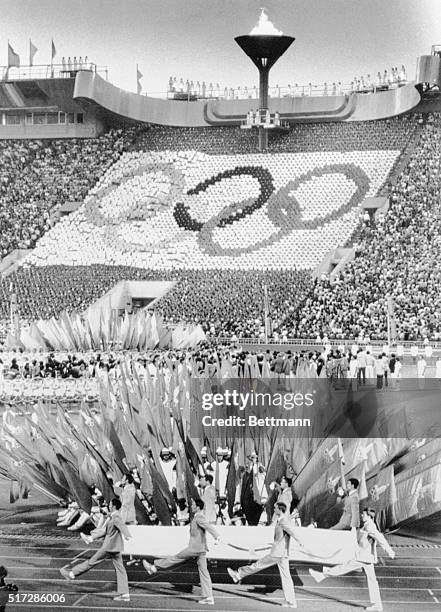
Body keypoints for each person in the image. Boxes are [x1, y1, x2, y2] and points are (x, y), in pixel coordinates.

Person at [309, 507, 395, 612]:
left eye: (363, 514)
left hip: (363, 558)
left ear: (369, 516)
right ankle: (377, 605)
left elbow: (380, 538)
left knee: (344, 567)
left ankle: (322, 575)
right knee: (372, 581)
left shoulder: (370, 527)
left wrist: (390, 551)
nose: (362, 516)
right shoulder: (367, 525)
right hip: (366, 557)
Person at [142, 499, 220, 605]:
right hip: (201, 549)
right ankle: (208, 597)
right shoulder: (197, 517)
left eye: (193, 505)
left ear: (197, 507)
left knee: (176, 558)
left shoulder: (199, 517)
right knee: (204, 572)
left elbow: (208, 526)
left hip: (195, 549)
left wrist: (217, 536)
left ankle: (154, 567)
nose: (191, 506)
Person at [227, 502, 301, 608]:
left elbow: (292, 532)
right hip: (283, 553)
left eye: (275, 508)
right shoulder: (281, 520)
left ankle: (238, 574)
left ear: (280, 510)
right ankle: (291, 602)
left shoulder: (283, 521)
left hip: (277, 553)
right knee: (286, 577)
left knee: (258, 565)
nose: (274, 510)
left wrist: (300, 542)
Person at [60, 498, 131, 602]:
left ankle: (72, 574)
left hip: (108, 547)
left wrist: (128, 536)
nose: (109, 506)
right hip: (116, 547)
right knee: (121, 570)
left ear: (114, 506)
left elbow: (122, 526)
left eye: (110, 504)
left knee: (91, 562)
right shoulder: (114, 516)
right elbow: (105, 530)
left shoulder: (116, 517)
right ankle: (125, 594)